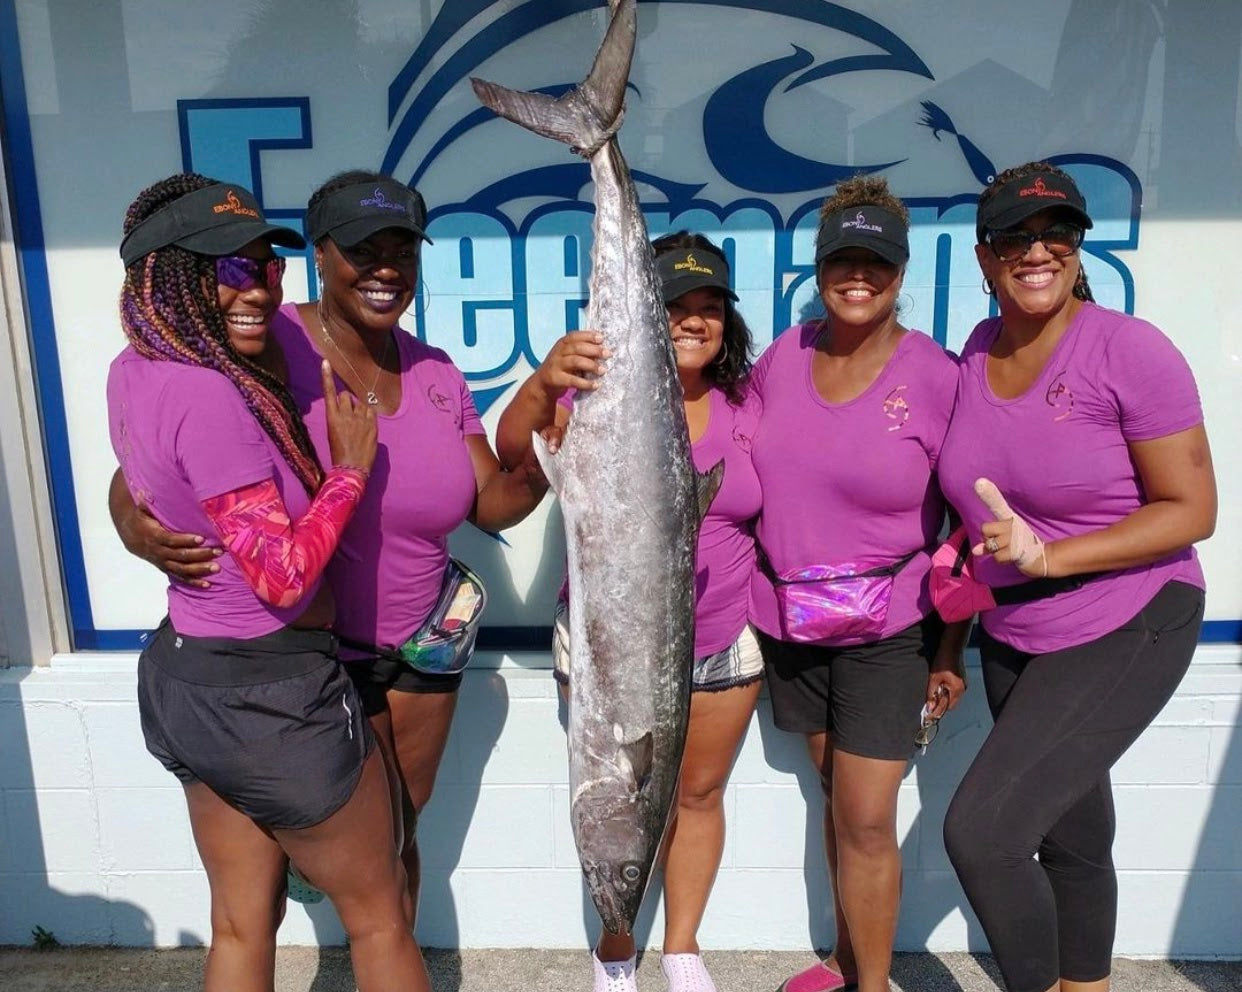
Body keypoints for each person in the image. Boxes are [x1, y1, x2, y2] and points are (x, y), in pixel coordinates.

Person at [110, 170, 549, 975]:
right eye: (362, 250)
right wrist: (137, 529)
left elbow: (490, 503)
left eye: (401, 252)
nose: (385, 268)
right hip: (310, 662)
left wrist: (554, 456)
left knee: (395, 848)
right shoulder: (254, 344)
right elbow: (150, 465)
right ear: (321, 256)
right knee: (335, 890)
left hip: (422, 650)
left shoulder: (435, 372)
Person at [107, 173, 426, 992]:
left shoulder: (135, 368)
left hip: (190, 678)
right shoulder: (211, 393)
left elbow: (142, 476)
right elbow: (282, 577)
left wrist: (135, 522)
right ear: (169, 276)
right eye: (231, 268)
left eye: (267, 264)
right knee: (381, 915)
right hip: (272, 694)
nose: (261, 285)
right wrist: (349, 474)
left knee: (242, 922)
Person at [938, 162, 1215, 992]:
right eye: (1015, 237)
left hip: (1133, 617)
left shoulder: (1128, 349)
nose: (1037, 251)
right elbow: (969, 513)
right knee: (1070, 836)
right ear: (985, 259)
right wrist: (952, 631)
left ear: (1078, 246)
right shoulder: (976, 352)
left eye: (1055, 233)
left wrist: (1053, 556)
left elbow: (1190, 508)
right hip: (1016, 630)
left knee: (982, 834)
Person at [496, 232, 764, 992]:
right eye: (675, 306)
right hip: (607, 646)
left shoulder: (748, 404)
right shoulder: (591, 392)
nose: (694, 321)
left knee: (698, 794)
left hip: (719, 643)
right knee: (618, 791)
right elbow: (515, 449)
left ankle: (681, 946)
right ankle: (617, 943)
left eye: (710, 307)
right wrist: (544, 383)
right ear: (646, 315)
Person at [747, 176, 968, 992]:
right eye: (843, 256)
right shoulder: (780, 356)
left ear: (901, 271)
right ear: (819, 264)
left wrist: (951, 648)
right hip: (788, 621)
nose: (858, 274)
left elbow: (968, 531)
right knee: (836, 794)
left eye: (875, 260)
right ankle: (845, 960)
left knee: (868, 818)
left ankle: (870, 987)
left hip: (891, 632)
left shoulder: (937, 375)